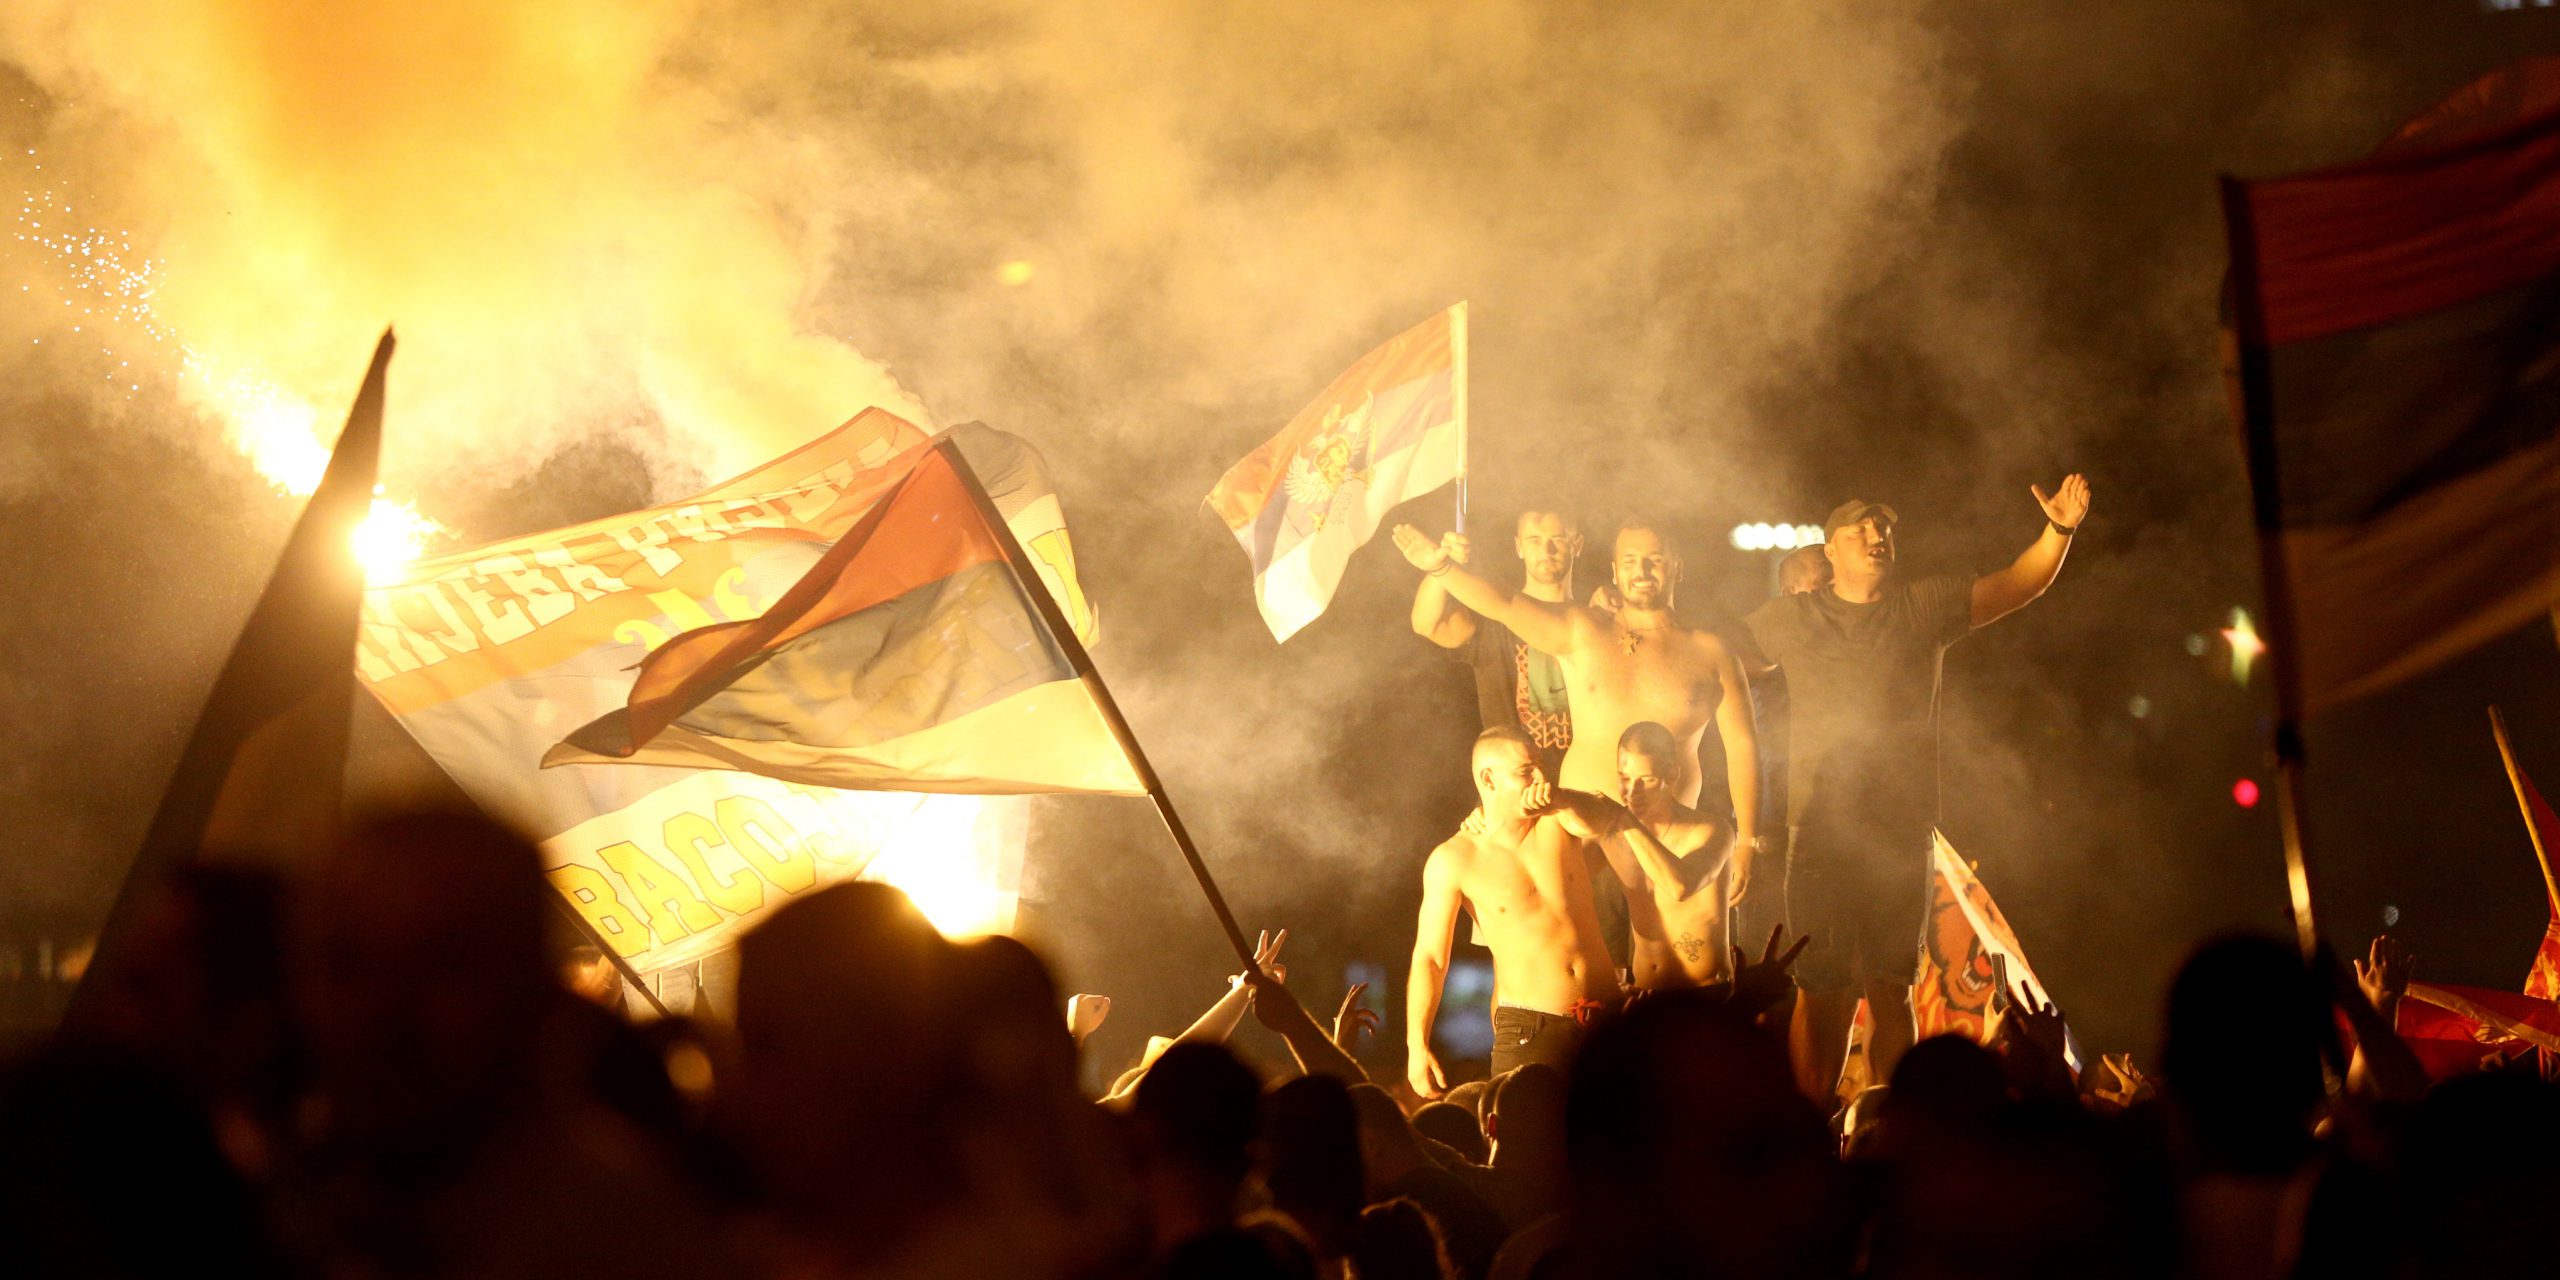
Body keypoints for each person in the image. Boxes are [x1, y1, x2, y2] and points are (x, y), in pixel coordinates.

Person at [1742, 479, 2090, 1096]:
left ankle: (1890, 1131)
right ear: (1830, 550)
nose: (1878, 537)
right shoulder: (1794, 617)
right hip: (1817, 831)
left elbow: (2019, 583)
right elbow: (1717, 656)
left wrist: (2057, 531)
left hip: (1898, 830)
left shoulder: (1921, 606)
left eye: (1885, 528)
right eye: (1861, 529)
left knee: (1890, 988)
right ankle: (1813, 1140)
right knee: (1820, 992)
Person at [1394, 520, 1760, 848]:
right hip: (1584, 840)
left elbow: (1743, 748)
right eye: (1630, 561)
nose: (1642, 571)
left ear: (1676, 568)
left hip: (1673, 841)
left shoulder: (1712, 652)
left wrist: (1749, 840)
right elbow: (1505, 603)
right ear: (1615, 572)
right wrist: (1441, 568)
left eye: (1654, 560)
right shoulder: (1584, 630)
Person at [1408, 728, 1628, 1096]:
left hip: (1608, 1017)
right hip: (1532, 1027)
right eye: (1526, 771)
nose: (1540, 779)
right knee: (1532, 1147)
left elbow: (1607, 816)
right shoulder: (1454, 859)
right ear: (1488, 779)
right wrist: (1417, 1044)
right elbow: (1430, 958)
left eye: (1541, 766)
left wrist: (1563, 798)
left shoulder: (1560, 820)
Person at [1411, 510, 1583, 777]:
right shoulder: (1493, 616)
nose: (1546, 550)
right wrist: (1439, 569)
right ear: (1519, 547)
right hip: (1511, 793)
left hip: (1584, 790)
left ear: (1577, 544)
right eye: (1534, 540)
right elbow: (1427, 624)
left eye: (1557, 539)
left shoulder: (1596, 621)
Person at [1606, 721, 1735, 990]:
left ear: (1673, 775)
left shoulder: (1711, 830)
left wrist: (1625, 821)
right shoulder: (1613, 836)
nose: (1632, 792)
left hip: (1704, 997)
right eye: (1625, 778)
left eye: (1648, 780)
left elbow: (1680, 885)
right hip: (1647, 996)